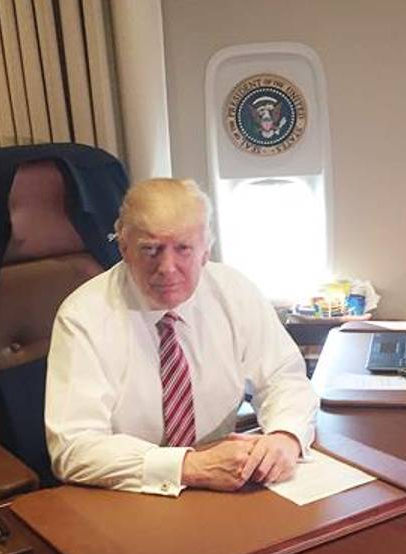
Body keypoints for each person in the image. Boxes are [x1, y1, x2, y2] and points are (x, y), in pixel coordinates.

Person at [44, 178, 317, 496]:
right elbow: (73, 448)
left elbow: (283, 378)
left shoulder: (234, 292)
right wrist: (189, 467)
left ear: (205, 250)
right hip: (127, 489)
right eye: (150, 250)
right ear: (124, 247)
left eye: (183, 249)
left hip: (225, 481)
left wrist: (285, 435)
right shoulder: (84, 316)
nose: (167, 268)